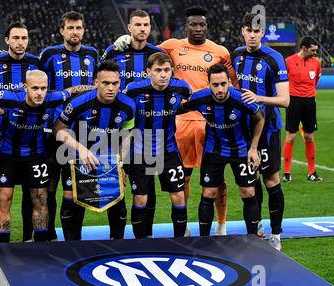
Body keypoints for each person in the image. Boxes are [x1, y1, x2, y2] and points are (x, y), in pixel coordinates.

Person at [114, 6, 238, 236]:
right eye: (193, 24)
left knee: (217, 177)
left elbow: (231, 84)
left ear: (207, 26)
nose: (198, 28)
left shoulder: (219, 52)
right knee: (181, 181)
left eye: (202, 24)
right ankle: (175, 231)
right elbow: (146, 49)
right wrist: (122, 41)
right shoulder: (171, 47)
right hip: (175, 130)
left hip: (210, 125)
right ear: (186, 26)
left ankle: (220, 224)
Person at [178, 64, 265, 236]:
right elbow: (178, 109)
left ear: (229, 83)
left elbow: (260, 118)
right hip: (213, 150)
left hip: (240, 149)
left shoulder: (241, 99)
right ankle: (205, 239)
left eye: (223, 84)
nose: (220, 89)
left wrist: (254, 148)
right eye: (215, 85)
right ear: (208, 84)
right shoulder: (200, 98)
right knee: (209, 192)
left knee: (248, 191)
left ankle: (253, 238)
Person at [53, 60, 135, 241]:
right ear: (96, 83)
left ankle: (117, 244)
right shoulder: (78, 104)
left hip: (109, 157)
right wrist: (81, 150)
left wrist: (122, 165)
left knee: (117, 198)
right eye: (106, 83)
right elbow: (58, 130)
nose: (111, 88)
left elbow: (127, 136)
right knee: (71, 197)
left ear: (120, 83)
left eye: (115, 83)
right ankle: (72, 245)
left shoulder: (128, 107)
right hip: (77, 155)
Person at [102, 9, 164, 238]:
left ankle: (145, 236)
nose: (142, 29)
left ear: (150, 27)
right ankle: (115, 237)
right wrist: (110, 47)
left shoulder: (157, 54)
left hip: (148, 133)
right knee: (114, 184)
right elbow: (100, 78)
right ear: (129, 28)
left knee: (148, 187)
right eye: (137, 24)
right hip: (116, 132)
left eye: (146, 24)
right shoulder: (115, 52)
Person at [0, 70, 70, 243]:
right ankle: (4, 246)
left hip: (35, 155)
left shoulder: (53, 98)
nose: (40, 93)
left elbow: (73, 91)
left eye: (43, 88)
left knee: (41, 199)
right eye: (35, 88)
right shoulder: (8, 97)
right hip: (7, 155)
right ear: (25, 88)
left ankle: (40, 244)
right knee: (4, 199)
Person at [39, 11, 99, 241]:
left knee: (78, 186)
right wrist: (68, 92)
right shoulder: (49, 54)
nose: (75, 32)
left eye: (79, 28)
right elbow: (38, 87)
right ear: (62, 31)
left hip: (83, 131)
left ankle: (74, 237)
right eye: (71, 28)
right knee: (50, 186)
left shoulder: (92, 54)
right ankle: (49, 234)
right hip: (53, 129)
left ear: (84, 30)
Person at [232, 13, 290, 250]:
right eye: (249, 30)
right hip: (242, 130)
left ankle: (276, 234)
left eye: (257, 31)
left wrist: (259, 98)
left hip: (268, 130)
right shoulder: (236, 55)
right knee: (250, 182)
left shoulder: (274, 58)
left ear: (263, 33)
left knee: (271, 180)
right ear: (243, 31)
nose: (253, 35)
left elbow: (285, 100)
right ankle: (255, 230)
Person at [0, 22, 41, 243]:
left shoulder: (36, 64)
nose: (20, 42)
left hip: (30, 137)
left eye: (24, 38)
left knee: (31, 191)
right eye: (15, 38)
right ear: (7, 40)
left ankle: (28, 238)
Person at [123, 52, 191, 239]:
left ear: (172, 71)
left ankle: (179, 241)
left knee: (178, 196)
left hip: (168, 150)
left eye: (167, 70)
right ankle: (141, 242)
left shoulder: (181, 88)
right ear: (148, 72)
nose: (163, 74)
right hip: (139, 151)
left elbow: (192, 103)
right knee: (140, 198)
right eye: (158, 70)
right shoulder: (133, 90)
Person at [283, 36, 322, 182]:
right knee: (291, 136)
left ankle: (312, 172)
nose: (315, 53)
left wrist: (309, 94)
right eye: (313, 50)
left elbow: (315, 81)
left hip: (310, 102)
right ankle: (287, 173)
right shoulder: (289, 61)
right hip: (293, 101)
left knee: (309, 136)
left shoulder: (316, 63)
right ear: (304, 48)